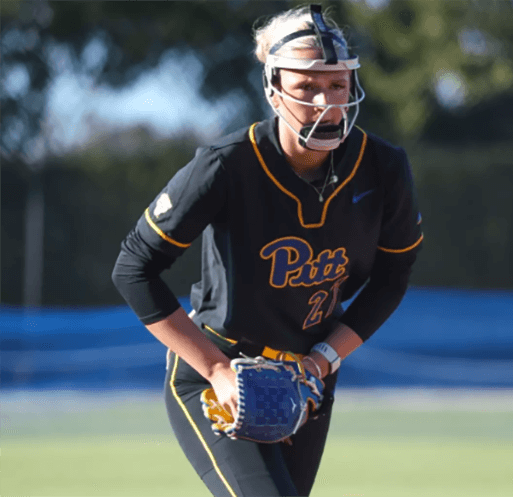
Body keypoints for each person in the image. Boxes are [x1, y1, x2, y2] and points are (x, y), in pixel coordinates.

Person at [111, 4, 423, 496]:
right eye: (307, 86)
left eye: (337, 85)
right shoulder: (225, 166)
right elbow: (133, 269)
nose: (326, 101)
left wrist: (321, 360)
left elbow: (394, 274)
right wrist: (214, 368)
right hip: (222, 369)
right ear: (274, 90)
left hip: (307, 376)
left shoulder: (383, 167)